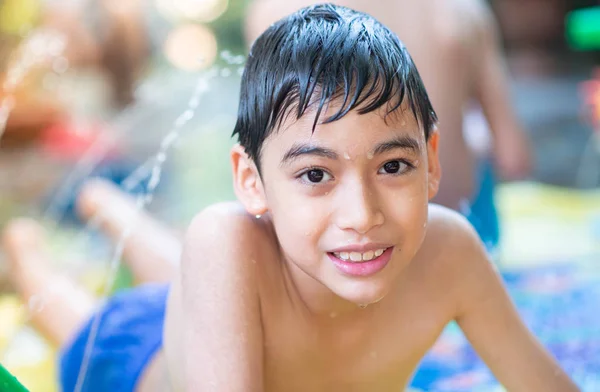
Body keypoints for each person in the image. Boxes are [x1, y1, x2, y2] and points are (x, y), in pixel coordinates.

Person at [3, 4, 577, 392]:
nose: (363, 216)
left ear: (432, 162)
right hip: (133, 362)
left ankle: (112, 210)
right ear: (252, 181)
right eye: (315, 175)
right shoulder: (223, 238)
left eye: (394, 165)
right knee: (82, 318)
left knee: (194, 278)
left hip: (234, 300)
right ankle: (30, 249)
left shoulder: (451, 251)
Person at [245, 0, 532, 248]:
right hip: (460, 226)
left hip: (336, 245)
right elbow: (513, 156)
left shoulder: (277, 11)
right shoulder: (462, 11)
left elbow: (266, 149)